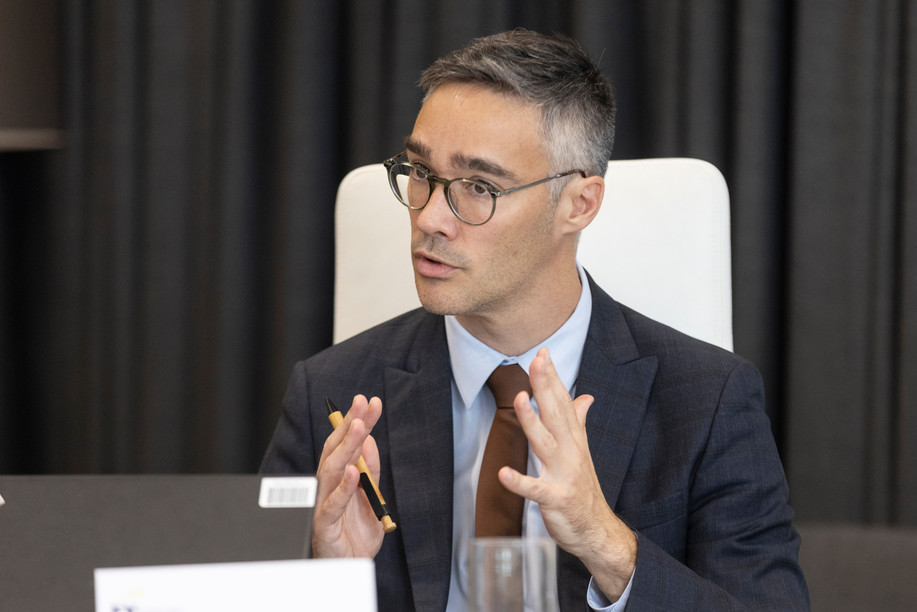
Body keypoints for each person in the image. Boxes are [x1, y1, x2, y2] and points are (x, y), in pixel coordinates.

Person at [261, 29, 809, 611]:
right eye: (420, 172)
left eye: (478, 187)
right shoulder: (332, 393)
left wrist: (606, 542)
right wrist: (325, 586)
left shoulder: (708, 400)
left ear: (580, 204)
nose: (430, 217)